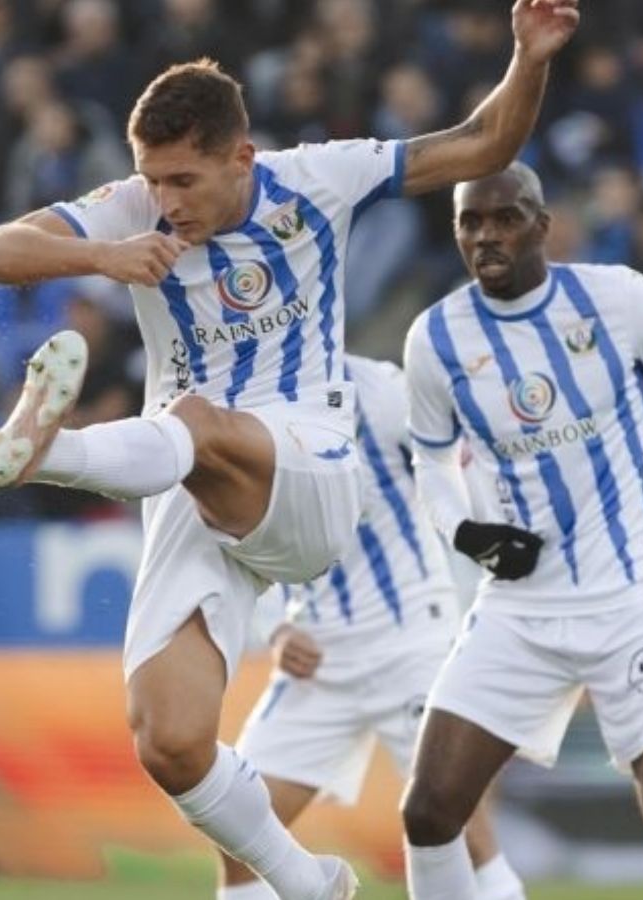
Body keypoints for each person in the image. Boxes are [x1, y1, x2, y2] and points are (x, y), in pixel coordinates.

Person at [0, 3, 581, 897]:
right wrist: (101, 258)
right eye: (152, 180)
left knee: (202, 419)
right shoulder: (132, 210)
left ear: (240, 158)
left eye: (183, 180)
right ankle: (308, 882)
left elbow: (480, 144)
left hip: (305, 462)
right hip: (184, 484)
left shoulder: (320, 180)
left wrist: (528, 57)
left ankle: (49, 453)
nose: (165, 203)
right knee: (168, 742)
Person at [399, 162, 643, 900]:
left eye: (504, 219)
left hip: (633, 597)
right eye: (470, 222)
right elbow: (432, 466)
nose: (486, 236)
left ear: (542, 225)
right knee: (429, 812)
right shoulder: (435, 338)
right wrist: (469, 534)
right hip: (519, 610)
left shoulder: (619, 298)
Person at [220, 355, 526, 900]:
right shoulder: (243, 403)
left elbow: (463, 468)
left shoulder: (382, 392)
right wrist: (275, 629)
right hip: (317, 651)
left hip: (409, 638)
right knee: (241, 833)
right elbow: (234, 534)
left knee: (457, 821)